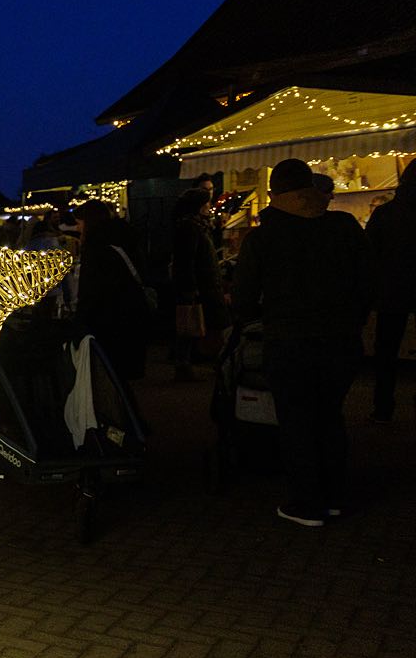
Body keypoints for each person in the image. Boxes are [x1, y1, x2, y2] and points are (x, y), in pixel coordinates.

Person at [232, 158, 370, 527]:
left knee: (296, 421)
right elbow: (367, 279)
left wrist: (254, 317)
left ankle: (307, 503)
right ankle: (337, 496)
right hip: (341, 339)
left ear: (275, 195)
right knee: (329, 415)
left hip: (289, 340)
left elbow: (244, 296)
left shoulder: (262, 239)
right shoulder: (342, 226)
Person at [72, 200, 149, 381]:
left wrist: (79, 323)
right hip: (132, 315)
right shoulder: (123, 238)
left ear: (89, 221)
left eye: (79, 223)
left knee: (109, 377)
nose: (77, 228)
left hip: (109, 320)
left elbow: (90, 291)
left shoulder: (96, 248)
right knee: (123, 378)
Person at [366, 161, 416, 423]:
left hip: (391, 290)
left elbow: (369, 253)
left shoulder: (386, 214)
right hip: (396, 288)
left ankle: (383, 406)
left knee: (386, 352)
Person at [170, 188, 228, 380]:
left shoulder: (196, 226)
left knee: (198, 324)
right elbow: (186, 260)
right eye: (207, 204)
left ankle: (189, 362)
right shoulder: (191, 228)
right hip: (201, 285)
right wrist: (190, 287)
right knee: (193, 323)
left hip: (205, 283)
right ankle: (185, 363)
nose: (210, 207)